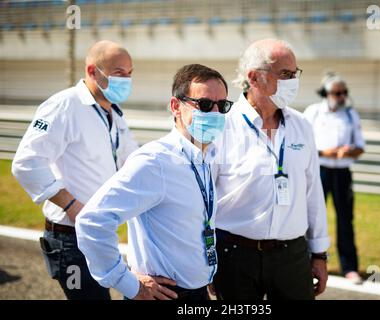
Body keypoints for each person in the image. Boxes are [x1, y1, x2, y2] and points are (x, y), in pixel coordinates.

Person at [75, 64, 233, 300]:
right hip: (162, 294)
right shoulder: (155, 161)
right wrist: (128, 283)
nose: (215, 113)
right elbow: (92, 222)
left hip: (197, 292)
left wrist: (207, 272)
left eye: (223, 106)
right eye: (205, 105)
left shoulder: (207, 156)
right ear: (175, 107)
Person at [11, 40, 139, 299]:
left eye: (129, 73)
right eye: (118, 73)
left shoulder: (114, 113)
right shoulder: (63, 106)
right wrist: (73, 207)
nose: (126, 80)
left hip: (101, 234)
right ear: (93, 71)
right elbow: (26, 162)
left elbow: (133, 161)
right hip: (70, 238)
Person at [211, 39, 329, 300]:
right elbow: (203, 200)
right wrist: (205, 259)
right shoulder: (222, 126)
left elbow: (313, 193)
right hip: (234, 256)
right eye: (285, 74)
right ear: (254, 77)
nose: (293, 81)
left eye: (295, 73)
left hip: (292, 256)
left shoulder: (302, 126)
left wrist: (319, 253)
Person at [304, 72, 365, 284]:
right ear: (326, 93)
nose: (341, 97)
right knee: (309, 218)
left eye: (344, 93)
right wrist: (325, 152)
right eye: (337, 93)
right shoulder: (313, 113)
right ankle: (304, 262)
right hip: (319, 170)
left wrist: (349, 151)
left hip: (342, 173)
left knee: (345, 220)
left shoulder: (351, 114)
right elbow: (304, 145)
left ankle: (350, 267)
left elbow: (360, 148)